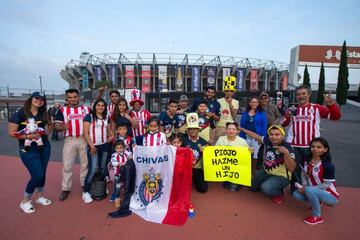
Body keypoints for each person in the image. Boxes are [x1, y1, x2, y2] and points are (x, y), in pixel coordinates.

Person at [280, 85, 341, 192]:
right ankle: (296, 189)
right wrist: (288, 117)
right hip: (294, 146)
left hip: (312, 147)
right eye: (298, 94)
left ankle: (316, 191)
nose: (301, 96)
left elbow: (335, 117)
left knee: (314, 170)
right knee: (295, 169)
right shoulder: (291, 109)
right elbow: (282, 124)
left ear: (309, 94)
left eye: (303, 94)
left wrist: (331, 105)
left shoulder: (316, 108)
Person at [8, 92, 52, 214]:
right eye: (36, 98)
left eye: (42, 99)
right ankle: (25, 200)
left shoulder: (44, 113)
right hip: (28, 148)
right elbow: (11, 132)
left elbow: (49, 125)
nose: (39, 101)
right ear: (31, 99)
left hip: (43, 146)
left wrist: (47, 131)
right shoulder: (20, 113)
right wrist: (28, 135)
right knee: (37, 174)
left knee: (43, 173)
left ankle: (39, 197)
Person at [240, 125, 297, 204]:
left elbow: (292, 168)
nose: (274, 137)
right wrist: (241, 128)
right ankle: (268, 182)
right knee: (252, 187)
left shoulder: (288, 147)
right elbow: (254, 135)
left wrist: (286, 153)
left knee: (266, 188)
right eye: (271, 134)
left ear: (282, 135)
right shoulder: (268, 141)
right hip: (267, 171)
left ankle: (279, 192)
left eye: (277, 134)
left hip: (281, 176)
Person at [292, 137, 339, 225]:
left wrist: (308, 188)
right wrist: (304, 186)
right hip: (313, 190)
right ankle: (318, 201)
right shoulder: (306, 160)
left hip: (330, 195)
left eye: (319, 147)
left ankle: (317, 216)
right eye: (313, 146)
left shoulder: (328, 165)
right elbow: (303, 175)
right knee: (296, 194)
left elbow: (326, 185)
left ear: (325, 149)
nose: (315, 149)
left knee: (309, 190)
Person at [54, 89, 90, 201]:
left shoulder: (86, 109)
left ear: (79, 97)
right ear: (67, 99)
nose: (73, 99)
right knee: (67, 165)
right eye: (70, 97)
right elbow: (57, 126)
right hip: (70, 140)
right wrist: (64, 127)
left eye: (75, 97)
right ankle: (66, 188)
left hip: (84, 139)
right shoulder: (62, 110)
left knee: (85, 164)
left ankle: (85, 186)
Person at [82, 98, 111, 204]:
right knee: (93, 169)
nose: (100, 107)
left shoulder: (106, 116)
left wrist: (111, 136)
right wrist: (91, 146)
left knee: (103, 168)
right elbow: (85, 133)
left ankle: (102, 186)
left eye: (102, 105)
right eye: (98, 105)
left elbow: (108, 129)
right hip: (93, 146)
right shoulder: (89, 117)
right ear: (95, 106)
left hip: (104, 145)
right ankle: (85, 191)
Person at [216, 122, 249, 192]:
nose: (231, 131)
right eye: (229, 129)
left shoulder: (242, 142)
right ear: (226, 130)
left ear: (237, 131)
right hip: (225, 164)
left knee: (233, 188)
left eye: (234, 129)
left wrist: (250, 152)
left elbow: (246, 156)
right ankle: (227, 178)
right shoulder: (221, 139)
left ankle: (238, 181)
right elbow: (215, 152)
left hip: (237, 166)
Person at [183, 113, 209, 193]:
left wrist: (205, 152)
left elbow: (209, 157)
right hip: (186, 168)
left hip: (197, 168)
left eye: (195, 129)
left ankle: (195, 178)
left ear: (198, 130)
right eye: (191, 129)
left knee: (203, 189)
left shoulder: (203, 141)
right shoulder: (183, 140)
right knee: (183, 189)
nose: (193, 130)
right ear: (188, 130)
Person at [240, 96, 267, 173]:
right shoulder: (245, 113)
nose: (254, 104)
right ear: (249, 103)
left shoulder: (262, 113)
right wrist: (242, 137)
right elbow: (241, 126)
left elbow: (264, 126)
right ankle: (246, 171)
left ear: (258, 103)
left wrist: (262, 138)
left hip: (256, 137)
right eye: (252, 102)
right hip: (246, 137)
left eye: (256, 102)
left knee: (255, 155)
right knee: (246, 153)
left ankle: (253, 172)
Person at [216, 76, 239, 141]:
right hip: (220, 126)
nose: (229, 93)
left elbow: (234, 115)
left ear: (233, 92)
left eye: (231, 91)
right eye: (227, 91)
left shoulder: (236, 102)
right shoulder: (218, 101)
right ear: (224, 92)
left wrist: (230, 103)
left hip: (231, 126)